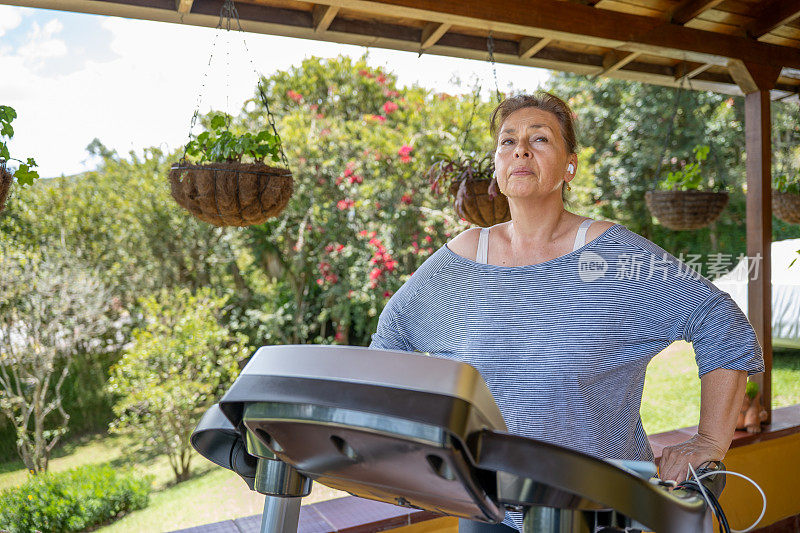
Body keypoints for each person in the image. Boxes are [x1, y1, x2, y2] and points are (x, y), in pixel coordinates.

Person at [369, 92, 765, 532]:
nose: (520, 149)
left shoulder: (611, 255)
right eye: (507, 141)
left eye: (539, 139)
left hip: (596, 510)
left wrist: (708, 441)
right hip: (489, 509)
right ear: (498, 170)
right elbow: (392, 335)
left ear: (569, 167)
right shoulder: (461, 259)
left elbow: (720, 321)